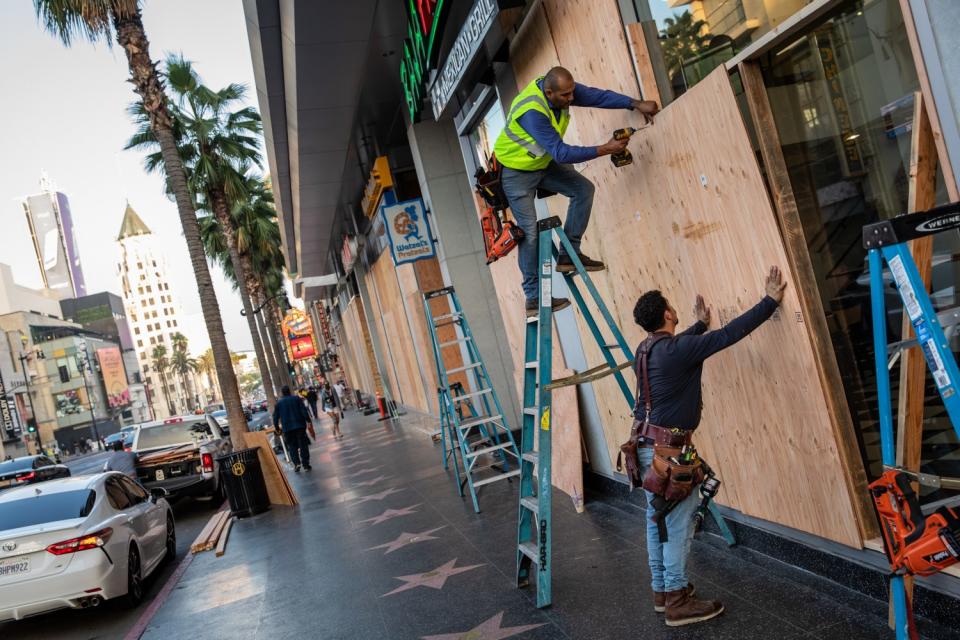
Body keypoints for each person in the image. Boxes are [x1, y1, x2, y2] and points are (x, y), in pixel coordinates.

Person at [632, 266, 787, 627]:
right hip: (667, 454)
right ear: (669, 314)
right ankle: (677, 600)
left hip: (643, 448)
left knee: (658, 521)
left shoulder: (646, 349)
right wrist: (769, 301)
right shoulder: (677, 349)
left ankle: (662, 592)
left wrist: (699, 324)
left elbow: (682, 346)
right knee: (678, 524)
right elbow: (730, 334)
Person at [492, 66, 660, 317]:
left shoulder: (560, 91)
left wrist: (635, 104)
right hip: (516, 172)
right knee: (528, 231)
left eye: (572, 93)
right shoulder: (533, 112)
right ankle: (534, 298)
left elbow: (596, 96)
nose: (572, 99)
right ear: (549, 92)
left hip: (540, 163)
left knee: (583, 189)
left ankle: (569, 254)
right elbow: (561, 153)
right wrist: (606, 148)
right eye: (566, 96)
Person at [273, 385, 313, 472]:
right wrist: (308, 420)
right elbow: (303, 410)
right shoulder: (297, 399)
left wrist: (277, 428)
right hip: (299, 426)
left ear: (282, 393)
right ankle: (306, 464)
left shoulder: (279, 403)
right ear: (289, 391)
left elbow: (275, 417)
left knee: (291, 446)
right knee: (303, 445)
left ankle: (297, 463)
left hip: (287, 428)